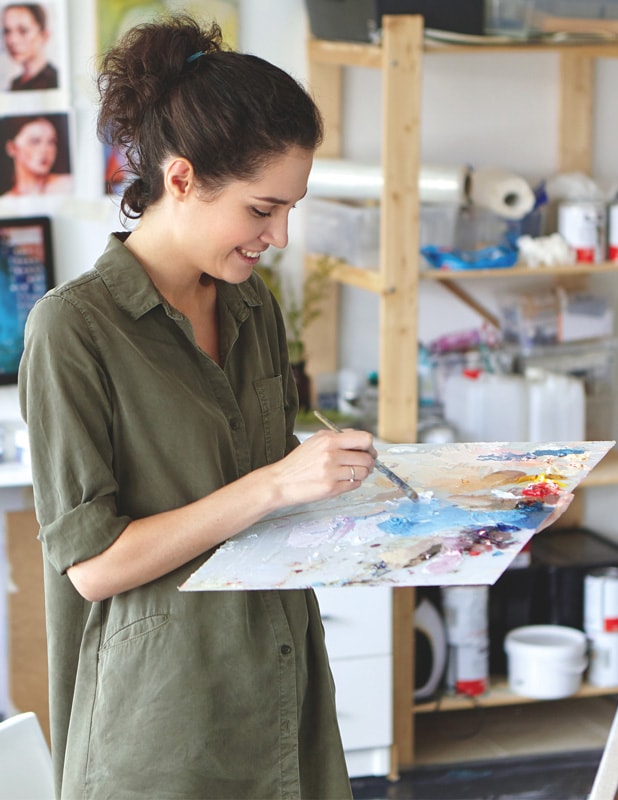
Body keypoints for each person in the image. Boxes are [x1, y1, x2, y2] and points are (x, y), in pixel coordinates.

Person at [19, 14, 376, 800]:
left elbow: (261, 496)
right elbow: (95, 567)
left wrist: (361, 498)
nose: (280, 235)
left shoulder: (253, 306)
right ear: (180, 179)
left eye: (290, 208)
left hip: (281, 687)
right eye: (261, 209)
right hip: (162, 727)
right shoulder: (73, 329)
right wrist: (277, 483)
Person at [1, 114, 71, 196]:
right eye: (35, 141)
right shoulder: (6, 199)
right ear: (12, 148)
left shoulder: (69, 185)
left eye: (51, 142)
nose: (45, 150)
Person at [2, 3, 58, 91]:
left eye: (23, 31)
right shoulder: (15, 85)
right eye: (7, 31)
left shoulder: (55, 80)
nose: (12, 40)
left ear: (44, 35)